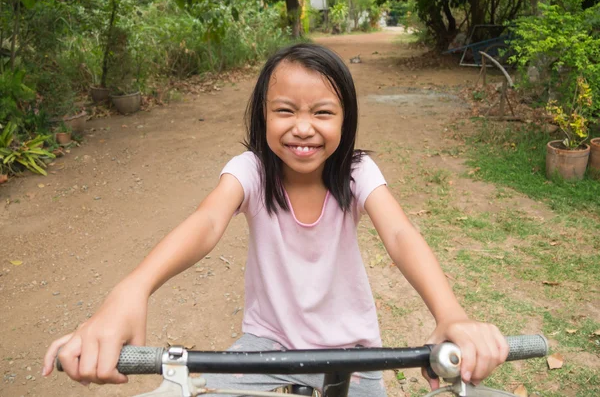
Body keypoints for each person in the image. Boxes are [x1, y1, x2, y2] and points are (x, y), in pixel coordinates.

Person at [42, 43, 508, 395]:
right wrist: (131, 289)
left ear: (345, 120)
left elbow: (401, 234)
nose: (303, 127)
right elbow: (205, 223)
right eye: (285, 110)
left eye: (322, 113)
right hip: (266, 344)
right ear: (261, 116)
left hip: (356, 353)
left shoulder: (358, 173)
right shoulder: (250, 172)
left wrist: (452, 315)